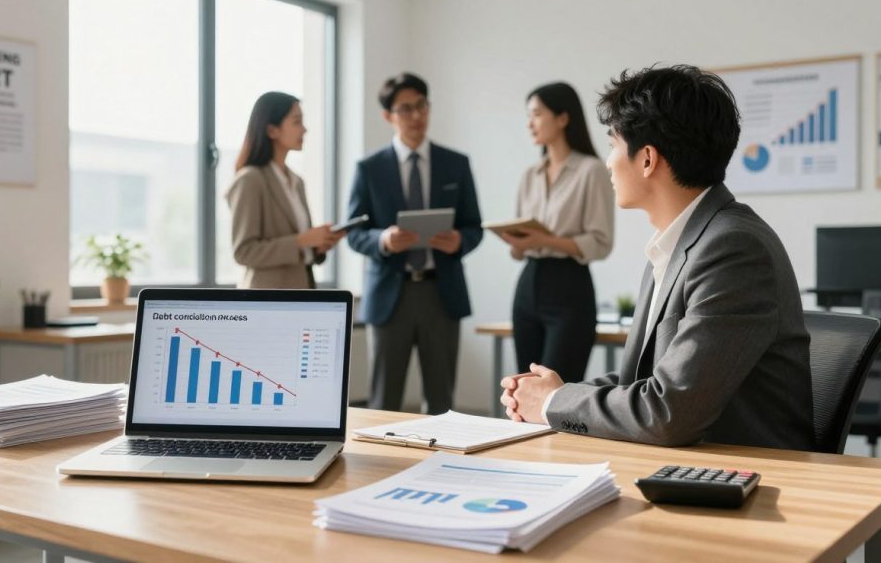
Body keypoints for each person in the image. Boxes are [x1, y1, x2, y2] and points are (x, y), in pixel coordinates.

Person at [500, 65, 815, 451]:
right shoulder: (678, 242)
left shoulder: (733, 249)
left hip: (752, 479)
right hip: (686, 463)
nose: (608, 162)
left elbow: (668, 412)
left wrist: (552, 402)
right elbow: (640, 380)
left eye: (613, 145)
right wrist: (552, 392)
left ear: (647, 159)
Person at [346, 73, 483, 414]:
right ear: (388, 116)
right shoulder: (369, 168)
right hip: (390, 295)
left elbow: (474, 226)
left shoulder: (456, 164)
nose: (416, 116)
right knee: (383, 400)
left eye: (421, 106)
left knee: (441, 403)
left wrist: (459, 241)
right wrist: (383, 240)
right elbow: (353, 232)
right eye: (405, 109)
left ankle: (442, 467)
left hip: (442, 292)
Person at [497, 82, 614, 384]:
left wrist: (544, 241)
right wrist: (518, 243)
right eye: (529, 115)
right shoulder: (529, 175)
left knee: (557, 393)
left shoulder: (592, 170)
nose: (530, 123)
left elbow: (601, 243)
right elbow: (518, 250)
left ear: (563, 118)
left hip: (569, 288)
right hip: (527, 285)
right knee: (523, 387)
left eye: (536, 114)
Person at [226, 92, 343, 289]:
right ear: (272, 130)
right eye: (297, 122)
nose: (304, 130)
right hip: (266, 300)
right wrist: (300, 240)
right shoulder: (250, 180)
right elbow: (244, 251)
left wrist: (317, 245)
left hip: (301, 293)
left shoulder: (297, 182)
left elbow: (300, 248)